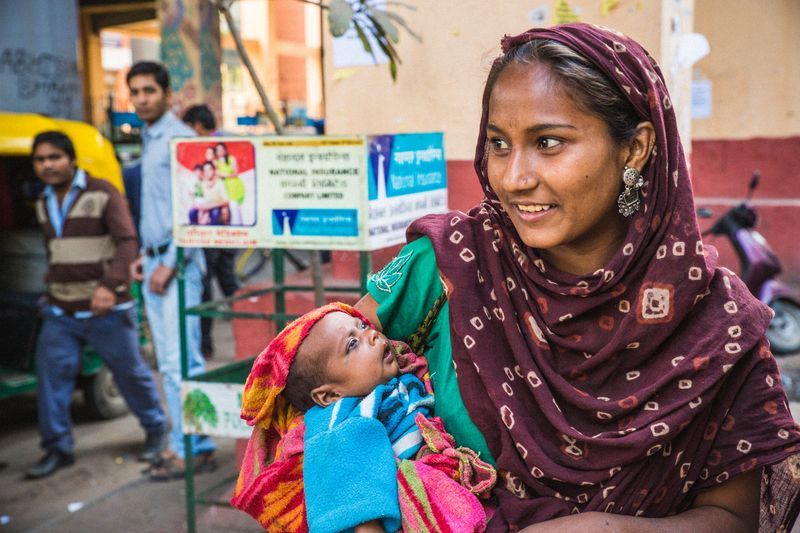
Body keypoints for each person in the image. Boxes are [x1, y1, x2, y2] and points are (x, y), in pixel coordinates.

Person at [345, 24, 800, 532]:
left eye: (548, 142)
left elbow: (732, 518)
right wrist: (359, 510)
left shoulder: (717, 325)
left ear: (635, 149)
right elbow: (308, 387)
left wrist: (607, 529)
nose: (514, 177)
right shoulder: (451, 265)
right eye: (499, 143)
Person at [232, 302, 496, 532]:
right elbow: (350, 483)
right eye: (352, 344)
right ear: (328, 395)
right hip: (398, 513)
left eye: (361, 325)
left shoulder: (398, 377)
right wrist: (369, 525)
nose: (371, 335)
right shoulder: (339, 420)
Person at [25, 131, 166, 479]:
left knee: (130, 374)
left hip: (107, 308)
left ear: (71, 160)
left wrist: (109, 286)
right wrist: (49, 293)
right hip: (61, 310)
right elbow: (54, 251)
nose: (48, 165)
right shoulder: (44, 202)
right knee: (52, 378)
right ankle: (57, 448)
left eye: (54, 157)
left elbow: (127, 241)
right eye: (41, 160)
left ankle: (155, 429)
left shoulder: (103, 192)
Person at [126, 61, 216, 481]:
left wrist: (169, 261)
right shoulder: (148, 137)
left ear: (167, 93)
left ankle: (192, 448)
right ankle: (190, 443)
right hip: (155, 260)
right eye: (135, 92)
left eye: (148, 91)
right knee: (168, 361)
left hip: (178, 267)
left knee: (184, 361)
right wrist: (147, 254)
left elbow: (195, 210)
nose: (141, 98)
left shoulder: (179, 139)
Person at [181, 107, 241, 359]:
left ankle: (206, 345)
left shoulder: (206, 150)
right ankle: (247, 329)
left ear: (195, 125)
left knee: (205, 286)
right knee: (227, 280)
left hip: (212, 230)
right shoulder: (229, 143)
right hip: (231, 227)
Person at [188, 160, 230, 226]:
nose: (208, 172)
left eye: (209, 170)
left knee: (215, 212)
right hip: (204, 208)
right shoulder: (201, 183)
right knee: (192, 212)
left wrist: (210, 206)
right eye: (205, 170)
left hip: (216, 207)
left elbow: (226, 201)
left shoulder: (220, 183)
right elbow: (197, 198)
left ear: (213, 171)